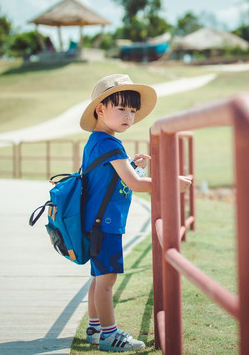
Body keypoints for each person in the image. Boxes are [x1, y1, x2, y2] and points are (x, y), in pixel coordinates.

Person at [79, 74, 192, 352]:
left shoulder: (98, 141)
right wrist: (171, 183)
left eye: (132, 110)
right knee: (106, 281)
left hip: (98, 222)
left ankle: (94, 329)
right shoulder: (109, 143)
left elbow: (114, 179)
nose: (129, 116)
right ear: (100, 109)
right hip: (104, 224)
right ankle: (109, 335)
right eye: (121, 109)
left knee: (99, 277)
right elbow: (134, 183)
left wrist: (132, 164)